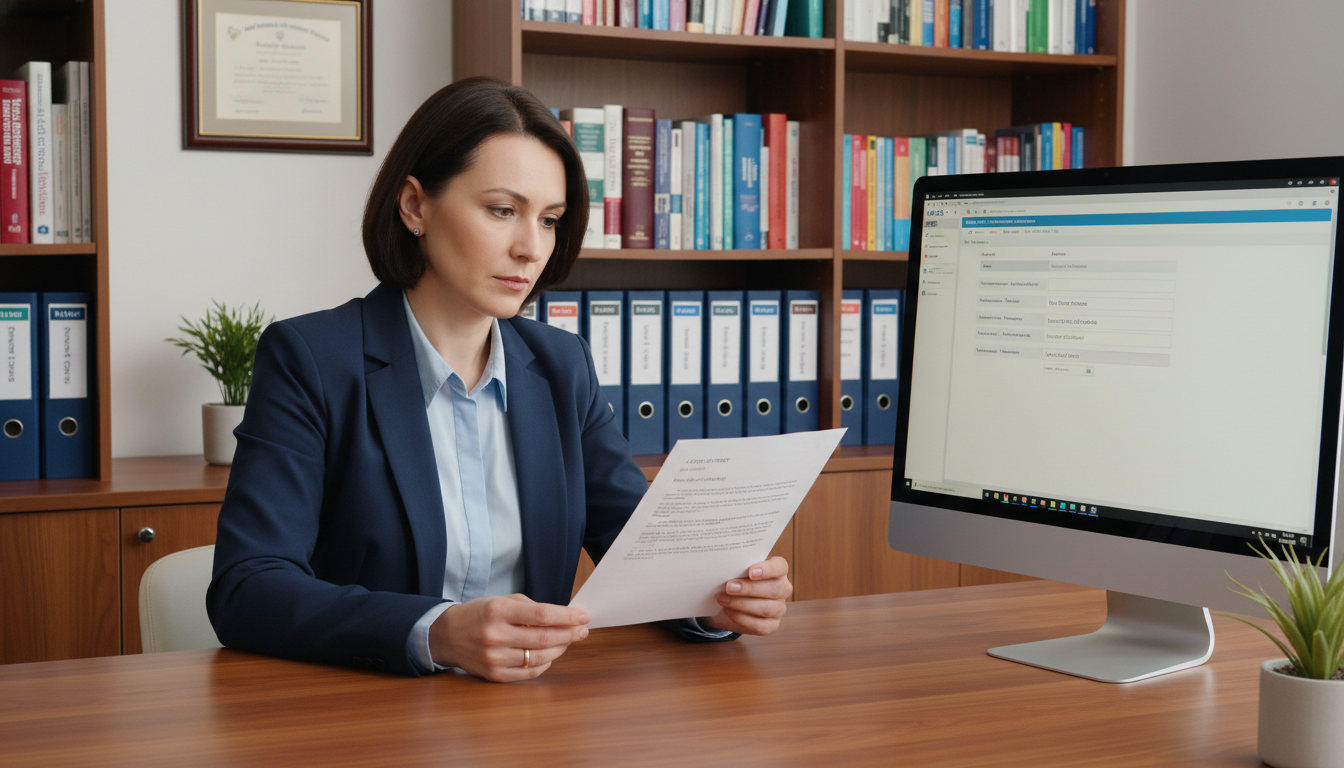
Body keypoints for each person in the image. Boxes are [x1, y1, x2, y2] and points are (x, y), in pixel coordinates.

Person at [206, 77, 792, 680]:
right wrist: (436, 632)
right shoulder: (312, 358)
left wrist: (719, 601)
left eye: (550, 220)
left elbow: (643, 560)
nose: (530, 248)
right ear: (415, 206)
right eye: (503, 211)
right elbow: (248, 588)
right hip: (369, 712)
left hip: (531, 716)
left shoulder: (562, 366)